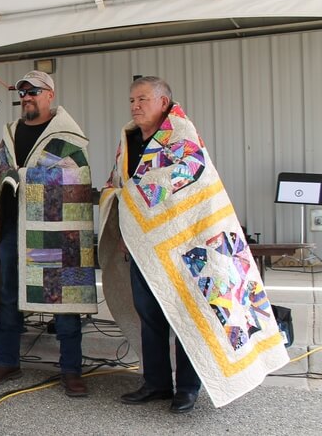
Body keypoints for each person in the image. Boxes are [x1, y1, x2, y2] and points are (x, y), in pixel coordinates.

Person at [98, 76, 289, 412]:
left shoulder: (181, 135)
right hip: (144, 248)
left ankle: (187, 387)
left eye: (142, 99)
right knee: (150, 315)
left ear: (163, 101)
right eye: (131, 100)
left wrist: (136, 197)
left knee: (187, 312)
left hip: (187, 246)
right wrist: (125, 222)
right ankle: (156, 383)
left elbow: (190, 176)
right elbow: (117, 184)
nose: (135, 106)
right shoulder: (127, 140)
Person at [0, 70, 97, 397]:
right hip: (13, 228)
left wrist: (24, 176)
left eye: (33, 91)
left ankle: (71, 369)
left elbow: (75, 178)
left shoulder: (67, 136)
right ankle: (7, 360)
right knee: (8, 294)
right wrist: (7, 177)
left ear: (50, 95)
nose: (27, 97)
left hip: (56, 231)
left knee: (64, 297)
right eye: (23, 92)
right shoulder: (9, 133)